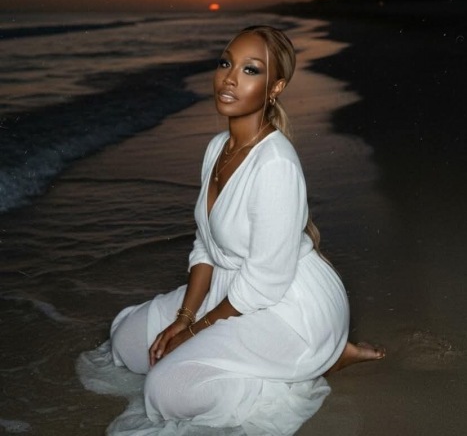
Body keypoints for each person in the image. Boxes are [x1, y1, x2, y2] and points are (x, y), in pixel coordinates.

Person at [110, 25, 383, 434]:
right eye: (226, 63)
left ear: (276, 88)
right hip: (230, 288)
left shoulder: (276, 163)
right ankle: (294, 360)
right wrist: (184, 318)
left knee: (165, 391)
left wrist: (196, 331)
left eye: (250, 70)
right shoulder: (216, 148)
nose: (230, 78)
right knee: (130, 345)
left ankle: (322, 358)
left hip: (287, 307)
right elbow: (205, 245)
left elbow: (264, 282)